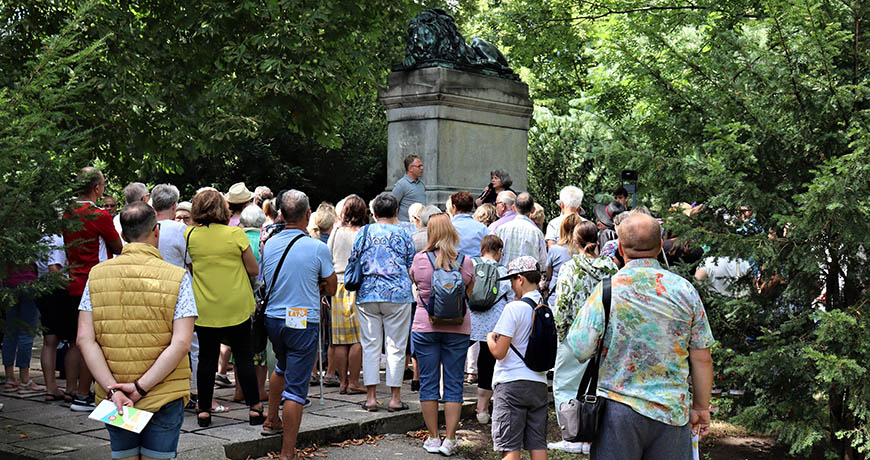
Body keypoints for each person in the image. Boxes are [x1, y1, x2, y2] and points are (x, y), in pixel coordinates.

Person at [565, 214, 715, 460]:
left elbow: (580, 348)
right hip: (671, 412)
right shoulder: (684, 290)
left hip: (617, 411)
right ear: (659, 247)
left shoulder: (607, 290)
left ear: (621, 248)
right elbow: (702, 358)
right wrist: (700, 407)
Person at [76, 201, 196, 460]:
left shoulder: (96, 275)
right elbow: (182, 343)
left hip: (115, 395)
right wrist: (140, 388)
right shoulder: (178, 278)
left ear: (121, 235)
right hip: (163, 391)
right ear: (156, 231)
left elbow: (85, 339)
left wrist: (113, 389)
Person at [260, 190, 337, 459]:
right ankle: (287, 451)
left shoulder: (269, 244)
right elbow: (332, 286)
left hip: (273, 318)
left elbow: (265, 280)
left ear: (280, 214)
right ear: (308, 215)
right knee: (296, 389)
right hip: (302, 319)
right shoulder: (317, 247)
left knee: (281, 366)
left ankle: (271, 419)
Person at [184, 189, 264, 428]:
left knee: (207, 358)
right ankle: (255, 408)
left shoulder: (190, 235)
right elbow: (253, 269)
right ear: (222, 208)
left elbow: (190, 265)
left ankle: (205, 410)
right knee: (243, 357)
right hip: (236, 303)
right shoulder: (235, 234)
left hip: (205, 305)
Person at [548, 220, 618, 454]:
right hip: (605, 335)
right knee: (598, 385)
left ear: (574, 241)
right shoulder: (611, 268)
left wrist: (561, 335)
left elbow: (563, 305)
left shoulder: (570, 268)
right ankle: (593, 438)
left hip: (575, 336)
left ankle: (571, 436)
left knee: (565, 384)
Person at [409, 214, 474, 456]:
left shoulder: (420, 259)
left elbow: (415, 281)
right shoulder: (466, 261)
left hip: (426, 327)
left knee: (428, 381)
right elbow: (469, 291)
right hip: (458, 329)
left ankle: (433, 437)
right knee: (454, 383)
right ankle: (450, 439)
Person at [63, 167, 123, 411]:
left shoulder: (67, 213)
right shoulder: (99, 215)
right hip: (95, 282)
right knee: (92, 341)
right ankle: (82, 394)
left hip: (72, 280)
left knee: (75, 340)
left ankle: (69, 389)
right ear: (97, 188)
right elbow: (118, 246)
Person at [350, 193, 415, 412]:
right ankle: (395, 398)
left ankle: (370, 397)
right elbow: (411, 264)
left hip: (367, 294)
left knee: (371, 345)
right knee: (396, 345)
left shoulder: (364, 232)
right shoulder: (404, 234)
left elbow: (354, 258)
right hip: (397, 295)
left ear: (374, 213)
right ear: (396, 212)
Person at [486, 256, 549, 460]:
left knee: (510, 447)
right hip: (539, 384)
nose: (512, 286)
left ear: (520, 279)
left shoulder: (514, 308)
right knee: (538, 444)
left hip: (511, 384)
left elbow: (499, 352)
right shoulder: (547, 309)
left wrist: (489, 338)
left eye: (512, 280)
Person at [326, 195, 367, 396]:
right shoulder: (364, 233)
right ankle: (354, 381)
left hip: (337, 286)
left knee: (340, 339)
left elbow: (328, 256)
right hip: (358, 286)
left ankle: (342, 382)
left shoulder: (336, 231)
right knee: (358, 339)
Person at [469, 235, 511, 425]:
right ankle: (483, 410)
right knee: (487, 364)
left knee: (456, 356)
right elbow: (510, 297)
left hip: (469, 321)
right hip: (493, 325)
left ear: (482, 249)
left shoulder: (470, 264)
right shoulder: (503, 271)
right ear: (499, 251)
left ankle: (447, 398)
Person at [34, 233, 68, 400]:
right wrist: (70, 286)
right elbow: (53, 267)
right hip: (56, 292)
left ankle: (50, 386)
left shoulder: (42, 239)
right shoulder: (57, 239)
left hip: (43, 290)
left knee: (49, 342)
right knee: (69, 339)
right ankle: (68, 388)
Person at [2, 263, 41, 393]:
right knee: (27, 332)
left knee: (10, 332)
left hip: (8, 284)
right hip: (29, 283)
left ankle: (9, 377)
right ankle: (25, 379)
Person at [494, 193, 547, 266]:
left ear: (513, 208)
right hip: (528, 275)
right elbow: (543, 261)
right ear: (533, 210)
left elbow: (493, 255)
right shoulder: (537, 233)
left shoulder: (501, 229)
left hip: (504, 274)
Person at [542, 214, 581, 306]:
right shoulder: (582, 251)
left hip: (557, 295)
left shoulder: (554, 249)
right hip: (577, 296)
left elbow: (549, 275)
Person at [151, 184, 190, 269]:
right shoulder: (180, 229)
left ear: (153, 206)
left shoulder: (146, 228)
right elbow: (190, 260)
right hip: (178, 279)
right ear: (174, 206)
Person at [449, 191, 489, 258]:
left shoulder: (447, 227)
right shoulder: (482, 228)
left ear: (454, 207)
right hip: (476, 265)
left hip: (454, 265)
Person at [391, 154, 426, 222]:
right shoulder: (401, 185)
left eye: (422, 166)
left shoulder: (421, 184)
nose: (422, 168)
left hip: (420, 224)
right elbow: (392, 206)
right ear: (410, 168)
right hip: (406, 226)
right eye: (419, 166)